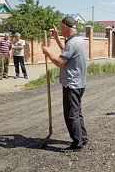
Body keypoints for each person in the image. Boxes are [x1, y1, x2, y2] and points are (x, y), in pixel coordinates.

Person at [42, 16, 88, 152]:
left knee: (71, 114)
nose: (60, 29)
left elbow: (59, 62)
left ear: (65, 27)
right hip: (79, 83)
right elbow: (66, 51)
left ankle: (77, 143)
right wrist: (56, 38)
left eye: (61, 27)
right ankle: (82, 138)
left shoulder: (73, 43)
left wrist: (48, 53)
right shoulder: (78, 40)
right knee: (77, 112)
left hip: (72, 84)